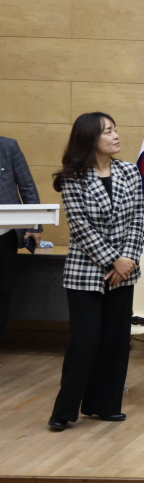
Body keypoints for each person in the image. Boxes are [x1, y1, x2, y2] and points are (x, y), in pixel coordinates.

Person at [48, 113, 144, 430]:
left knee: (116, 342)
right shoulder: (73, 178)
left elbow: (138, 221)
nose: (115, 136)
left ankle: (104, 405)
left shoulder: (130, 171)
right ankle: (64, 411)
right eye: (107, 131)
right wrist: (113, 260)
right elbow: (80, 228)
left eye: (115, 129)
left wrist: (127, 260)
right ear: (90, 138)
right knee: (85, 342)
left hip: (124, 272)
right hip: (86, 273)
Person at [0, 136, 43, 345]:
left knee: (2, 292)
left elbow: (27, 186)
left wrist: (34, 225)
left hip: (4, 235)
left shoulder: (7, 146)